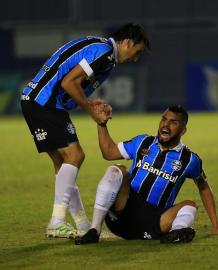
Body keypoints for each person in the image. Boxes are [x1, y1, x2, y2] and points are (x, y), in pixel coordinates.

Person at [20, 23, 150, 238]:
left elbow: (71, 83)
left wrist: (89, 102)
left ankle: (82, 225)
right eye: (137, 52)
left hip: (35, 100)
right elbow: (69, 83)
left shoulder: (100, 49)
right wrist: (91, 110)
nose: (135, 58)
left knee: (63, 164)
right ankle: (57, 221)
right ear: (127, 42)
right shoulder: (105, 53)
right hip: (45, 103)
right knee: (76, 155)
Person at [75, 105, 218, 244]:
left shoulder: (190, 160)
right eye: (164, 119)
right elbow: (109, 152)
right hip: (123, 212)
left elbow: (203, 188)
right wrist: (101, 124)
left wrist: (216, 225)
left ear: (183, 130)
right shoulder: (143, 142)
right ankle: (95, 229)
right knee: (117, 170)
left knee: (190, 205)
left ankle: (177, 233)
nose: (165, 124)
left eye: (173, 122)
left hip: (154, 221)